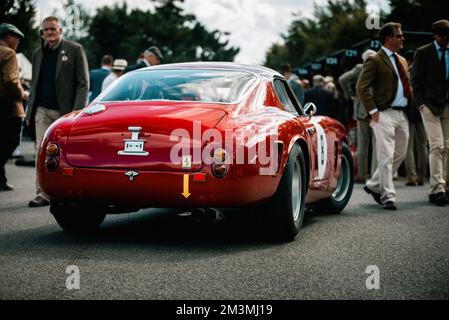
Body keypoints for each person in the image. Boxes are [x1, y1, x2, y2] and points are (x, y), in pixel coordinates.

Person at [27, 16, 89, 207]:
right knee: (41, 150)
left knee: (66, 153)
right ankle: (43, 193)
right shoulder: (38, 54)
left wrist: (76, 112)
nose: (49, 33)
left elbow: (83, 83)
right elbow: (34, 84)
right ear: (42, 33)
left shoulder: (75, 49)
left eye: (53, 29)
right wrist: (30, 110)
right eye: (45, 30)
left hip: (65, 112)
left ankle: (66, 191)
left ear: (60, 30)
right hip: (42, 110)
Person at [357, 22, 411, 211]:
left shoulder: (402, 60)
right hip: (383, 114)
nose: (402, 38)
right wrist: (373, 111)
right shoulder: (375, 59)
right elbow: (361, 87)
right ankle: (388, 196)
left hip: (402, 113)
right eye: (399, 35)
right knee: (386, 155)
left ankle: (373, 185)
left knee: (401, 153)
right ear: (389, 38)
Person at [411, 20, 449, 206]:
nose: (445, 39)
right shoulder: (423, 52)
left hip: (447, 105)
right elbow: (415, 80)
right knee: (436, 145)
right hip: (430, 106)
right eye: (442, 35)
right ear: (435, 35)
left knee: (447, 147)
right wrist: (420, 104)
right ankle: (437, 188)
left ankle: (445, 186)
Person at [339, 49, 377, 183]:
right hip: (377, 109)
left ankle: (361, 175)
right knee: (377, 144)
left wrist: (351, 94)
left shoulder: (360, 68)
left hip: (362, 110)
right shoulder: (380, 66)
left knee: (363, 144)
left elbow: (342, 79)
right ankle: (374, 175)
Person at [0, 23, 29, 191]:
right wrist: (23, 94)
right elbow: (11, 82)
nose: (18, 40)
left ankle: (1, 180)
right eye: (16, 37)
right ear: (8, 36)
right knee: (11, 141)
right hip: (8, 105)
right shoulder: (8, 53)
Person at [403, 50, 428, 187]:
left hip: (409, 111)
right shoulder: (425, 70)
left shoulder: (406, 72)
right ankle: (422, 175)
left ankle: (411, 176)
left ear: (408, 60)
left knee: (409, 146)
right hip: (423, 111)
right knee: (423, 145)